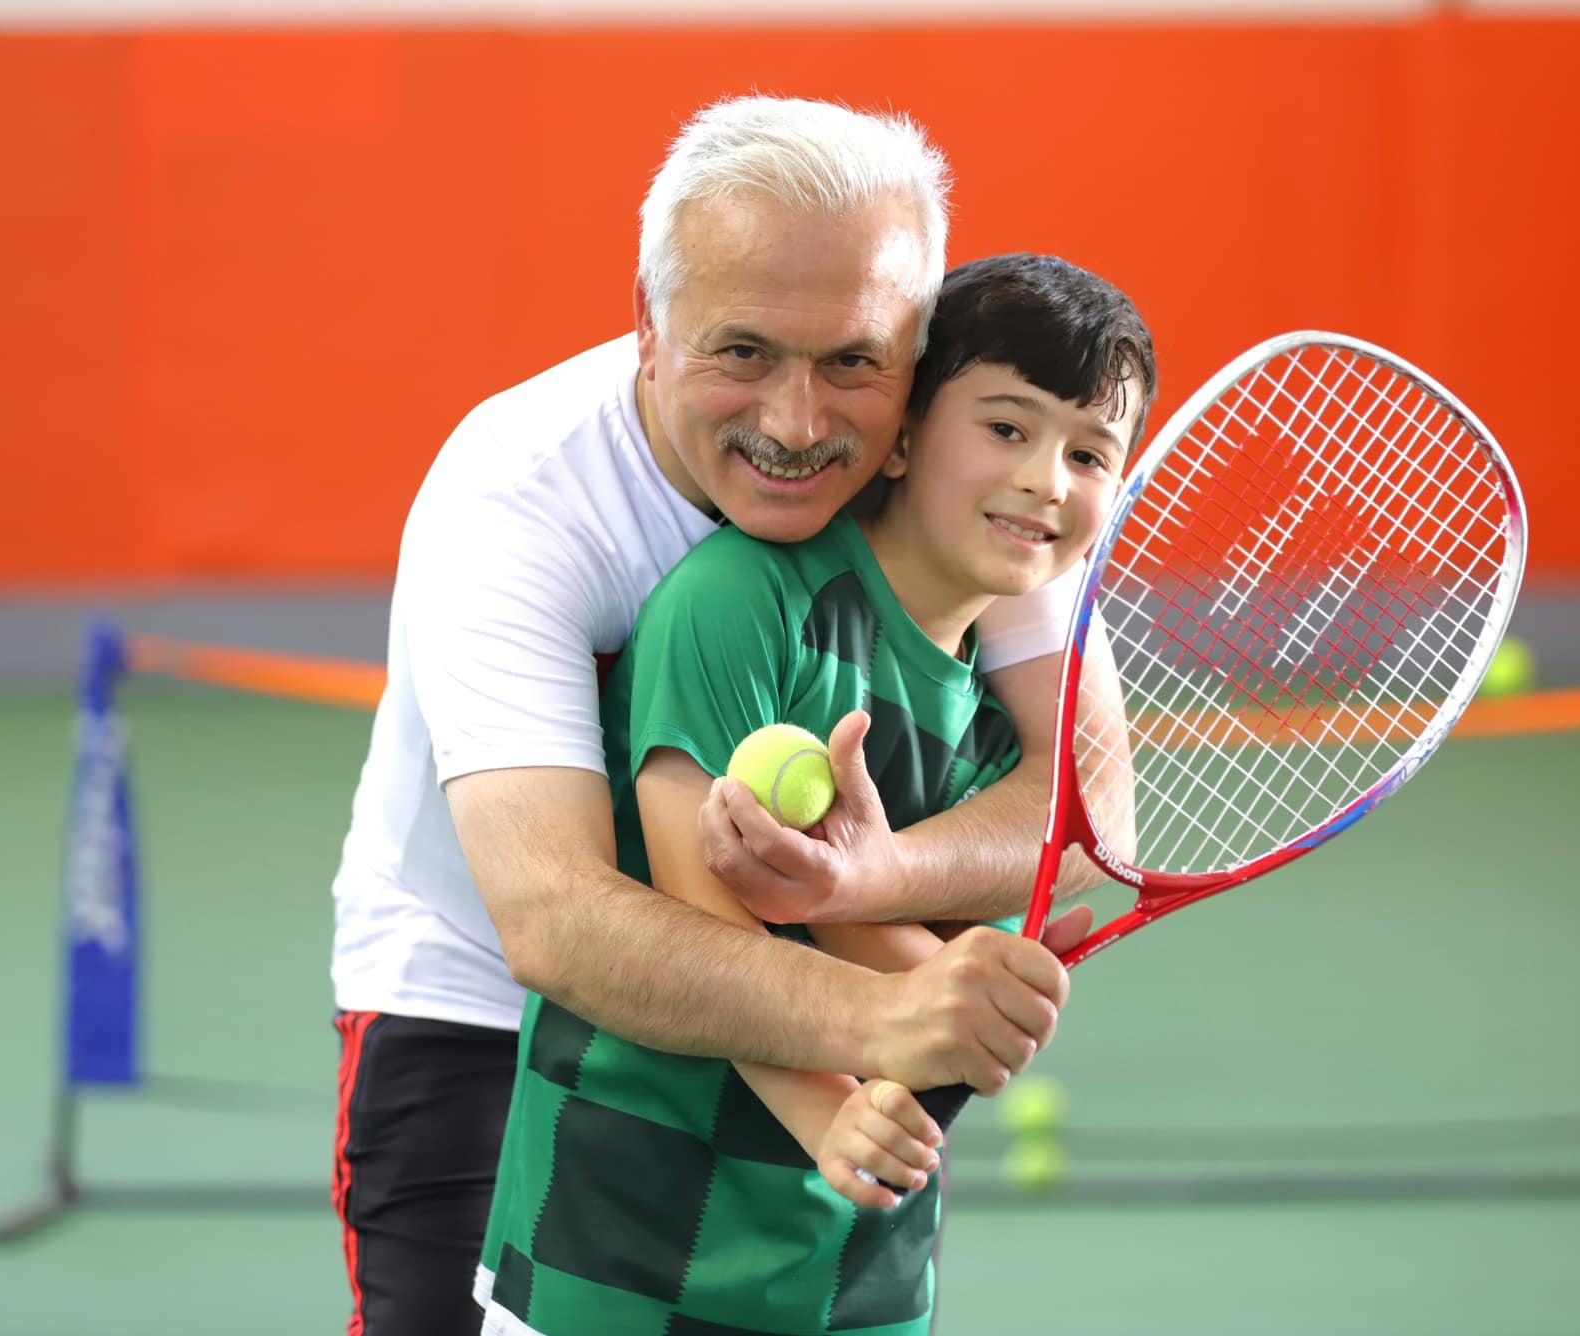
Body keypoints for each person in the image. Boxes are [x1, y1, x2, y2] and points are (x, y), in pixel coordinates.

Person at [330, 97, 1106, 1335]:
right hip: (479, 1008)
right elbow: (556, 922)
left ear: (914, 355)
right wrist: (894, 1008)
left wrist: (866, 881)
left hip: (807, 992)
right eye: (742, 351)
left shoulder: (978, 471)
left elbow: (1082, 795)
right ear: (647, 330)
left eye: (852, 360)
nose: (797, 425)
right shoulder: (519, 501)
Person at [475, 253, 1156, 1336]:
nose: (1046, 480)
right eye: (1006, 429)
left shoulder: (1012, 716)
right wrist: (831, 1106)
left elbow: (905, 939)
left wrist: (956, 993)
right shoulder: (737, 600)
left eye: (1088, 452)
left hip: (858, 1272)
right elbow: (708, 912)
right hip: (611, 1251)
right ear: (900, 436)